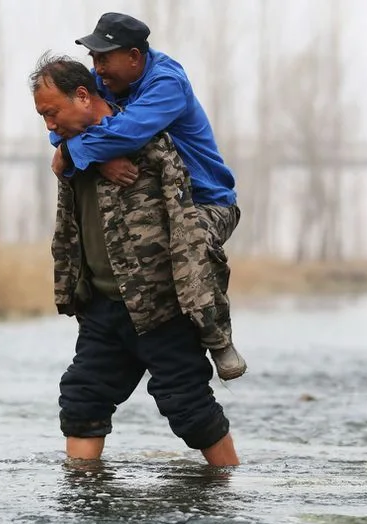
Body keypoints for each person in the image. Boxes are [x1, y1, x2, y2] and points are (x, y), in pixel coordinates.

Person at [30, 53, 240, 466]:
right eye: (43, 116)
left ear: (84, 96)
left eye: (52, 113)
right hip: (102, 309)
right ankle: (84, 501)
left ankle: (230, 494)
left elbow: (187, 228)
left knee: (190, 409)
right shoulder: (72, 152)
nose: (49, 125)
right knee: (81, 401)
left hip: (159, 308)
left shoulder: (151, 144)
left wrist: (203, 311)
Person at [48, 12, 247, 381]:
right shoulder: (102, 82)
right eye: (93, 58)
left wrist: (81, 153)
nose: (97, 68)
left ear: (135, 56)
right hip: (157, 204)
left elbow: (127, 133)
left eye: (104, 58)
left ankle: (217, 337)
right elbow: (65, 123)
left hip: (205, 200)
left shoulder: (166, 83)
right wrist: (95, 158)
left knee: (193, 242)